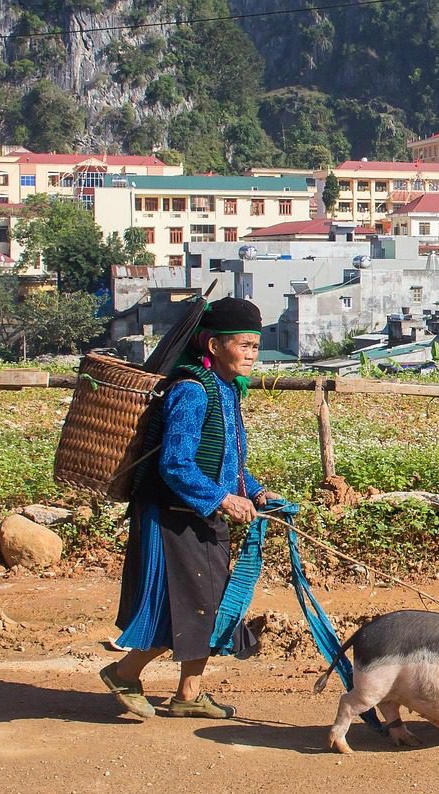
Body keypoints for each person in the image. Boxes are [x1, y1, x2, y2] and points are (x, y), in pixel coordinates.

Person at [100, 297, 278, 719]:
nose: (252, 354)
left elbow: (228, 463)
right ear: (214, 346)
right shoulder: (191, 391)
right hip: (173, 520)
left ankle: (189, 694)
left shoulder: (226, 392)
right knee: (182, 606)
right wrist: (221, 499)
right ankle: (124, 672)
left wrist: (254, 492)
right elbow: (176, 464)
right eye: (244, 345)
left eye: (256, 345)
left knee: (210, 605)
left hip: (202, 518)